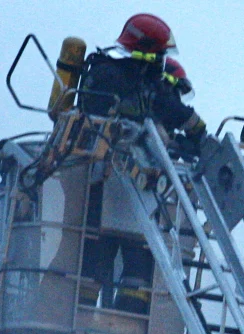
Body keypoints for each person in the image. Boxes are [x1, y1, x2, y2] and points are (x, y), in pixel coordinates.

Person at [74, 14, 208, 312]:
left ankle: (128, 311)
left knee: (136, 246)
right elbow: (158, 110)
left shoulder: (142, 82)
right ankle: (84, 307)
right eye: (158, 53)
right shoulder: (112, 75)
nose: (161, 60)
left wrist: (197, 137)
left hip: (134, 182)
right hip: (105, 175)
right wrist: (196, 132)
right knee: (100, 244)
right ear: (144, 50)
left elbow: (169, 108)